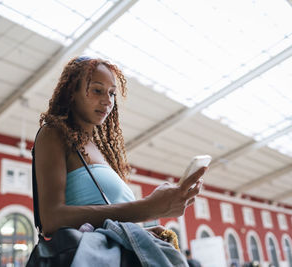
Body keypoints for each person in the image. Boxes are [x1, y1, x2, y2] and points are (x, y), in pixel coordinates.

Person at [34, 56, 207, 265]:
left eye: (112, 93)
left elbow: (107, 222)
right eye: (97, 90)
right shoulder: (54, 134)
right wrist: (149, 208)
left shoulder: (101, 153)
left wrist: (138, 234)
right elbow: (52, 219)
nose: (107, 100)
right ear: (72, 91)